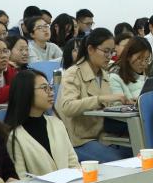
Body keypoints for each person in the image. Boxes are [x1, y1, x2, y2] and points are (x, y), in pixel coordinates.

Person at [56, 28, 133, 162]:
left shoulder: (104, 74)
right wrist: (100, 99)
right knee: (116, 161)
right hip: (79, 139)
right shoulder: (73, 73)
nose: (109, 56)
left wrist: (126, 102)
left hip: (102, 135)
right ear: (90, 49)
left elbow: (106, 105)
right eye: (106, 51)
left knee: (137, 150)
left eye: (112, 52)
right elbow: (67, 107)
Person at [4, 69, 80, 176]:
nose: (51, 93)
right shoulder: (14, 135)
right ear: (26, 92)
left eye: (50, 88)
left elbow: (73, 163)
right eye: (44, 88)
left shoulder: (57, 123)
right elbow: (21, 177)